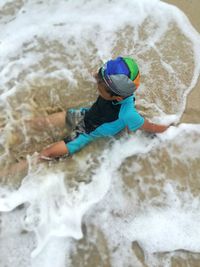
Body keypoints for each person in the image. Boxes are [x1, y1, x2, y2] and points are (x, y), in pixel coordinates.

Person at [38, 56, 170, 160]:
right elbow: (98, 77)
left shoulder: (128, 114)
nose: (97, 87)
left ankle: (17, 170)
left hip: (86, 134)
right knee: (40, 122)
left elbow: (151, 127)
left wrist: (172, 129)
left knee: (47, 153)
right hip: (84, 115)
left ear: (117, 98)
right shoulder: (107, 82)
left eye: (101, 91)